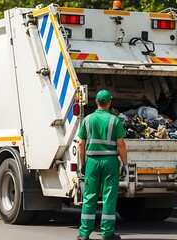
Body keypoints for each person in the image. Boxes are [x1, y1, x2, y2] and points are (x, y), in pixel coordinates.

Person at [77, 89, 128, 240]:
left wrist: (83, 164)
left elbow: (81, 144)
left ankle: (84, 233)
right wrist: (125, 164)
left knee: (89, 197)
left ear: (96, 102)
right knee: (109, 197)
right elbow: (121, 145)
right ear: (109, 103)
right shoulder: (115, 120)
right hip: (110, 162)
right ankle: (107, 234)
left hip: (92, 161)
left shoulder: (87, 120)